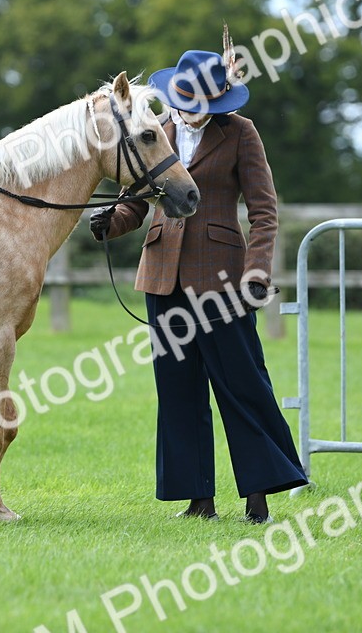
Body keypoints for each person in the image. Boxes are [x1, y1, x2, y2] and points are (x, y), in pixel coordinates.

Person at [90, 43, 307, 523]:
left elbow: (265, 212)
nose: (189, 112)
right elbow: (137, 203)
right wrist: (113, 222)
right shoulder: (158, 131)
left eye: (200, 106)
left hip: (223, 280)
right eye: (184, 103)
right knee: (178, 390)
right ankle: (197, 499)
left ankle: (260, 494)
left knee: (242, 385)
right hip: (162, 275)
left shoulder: (241, 134)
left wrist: (257, 272)